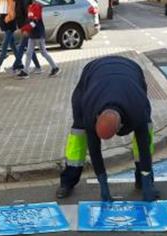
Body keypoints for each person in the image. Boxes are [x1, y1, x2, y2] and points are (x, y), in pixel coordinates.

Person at [57, 56, 158, 202]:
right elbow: (95, 150)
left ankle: (144, 181)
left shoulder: (138, 108)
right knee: (79, 133)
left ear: (121, 126)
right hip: (93, 75)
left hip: (130, 73)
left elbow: (144, 145)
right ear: (97, 118)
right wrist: (103, 184)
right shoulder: (90, 109)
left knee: (145, 132)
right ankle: (68, 181)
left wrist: (147, 178)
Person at [16, 0, 60, 79]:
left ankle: (55, 67)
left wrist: (25, 29)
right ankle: (25, 72)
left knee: (43, 52)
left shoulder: (37, 7)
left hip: (38, 34)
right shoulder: (30, 7)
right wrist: (25, 29)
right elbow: (30, 20)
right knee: (29, 53)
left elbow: (34, 22)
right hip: (32, 34)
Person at [9, 0, 41, 74]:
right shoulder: (18, 1)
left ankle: (16, 66)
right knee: (28, 48)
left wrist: (26, 29)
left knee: (21, 47)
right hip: (23, 27)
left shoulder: (24, 1)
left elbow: (28, 16)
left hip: (26, 27)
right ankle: (38, 66)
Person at [0, 0, 17, 72]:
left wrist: (9, 17)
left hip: (9, 20)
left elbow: (12, 8)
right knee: (12, 45)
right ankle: (19, 64)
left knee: (5, 44)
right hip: (5, 19)